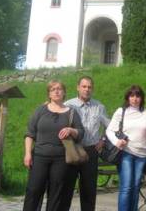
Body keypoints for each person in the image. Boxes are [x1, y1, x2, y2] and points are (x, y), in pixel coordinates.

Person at [23, 80, 84, 211]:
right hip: (39, 157)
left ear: (64, 93)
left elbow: (81, 132)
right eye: (53, 89)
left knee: (57, 194)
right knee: (33, 190)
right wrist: (28, 153)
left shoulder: (72, 112)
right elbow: (30, 133)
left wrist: (71, 130)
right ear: (49, 94)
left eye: (59, 89)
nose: (56, 91)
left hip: (61, 159)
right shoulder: (40, 110)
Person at [65, 76, 110, 211]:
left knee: (89, 190)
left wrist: (103, 140)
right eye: (84, 86)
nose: (87, 89)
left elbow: (111, 126)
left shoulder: (99, 107)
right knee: (67, 187)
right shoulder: (68, 105)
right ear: (78, 87)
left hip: (91, 151)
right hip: (73, 150)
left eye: (89, 87)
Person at [106, 85, 146, 211]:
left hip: (141, 155)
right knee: (126, 187)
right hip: (126, 153)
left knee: (136, 187)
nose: (135, 99)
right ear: (128, 98)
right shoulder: (121, 111)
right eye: (132, 96)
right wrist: (117, 141)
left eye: (138, 96)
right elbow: (109, 130)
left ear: (141, 98)